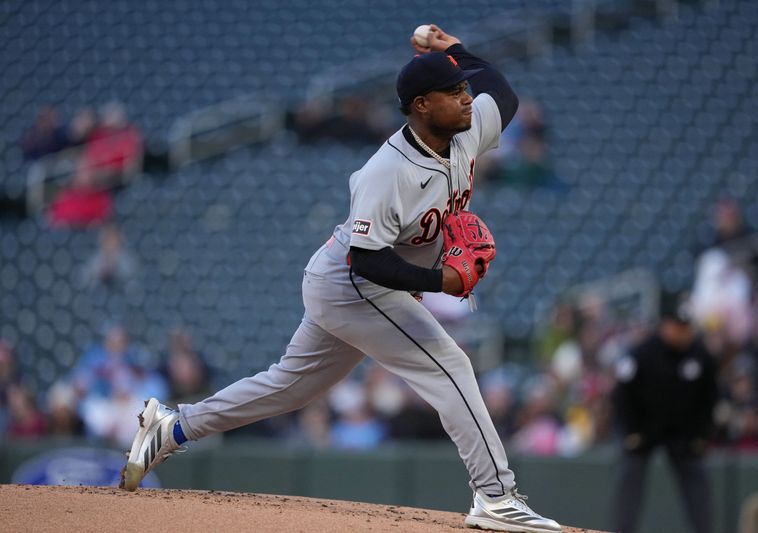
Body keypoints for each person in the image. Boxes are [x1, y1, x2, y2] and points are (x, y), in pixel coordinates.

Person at [119, 24, 561, 533]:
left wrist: (455, 51)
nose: (467, 100)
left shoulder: (465, 129)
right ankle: (496, 497)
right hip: (350, 282)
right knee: (449, 367)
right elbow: (367, 262)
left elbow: (502, 93)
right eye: (454, 92)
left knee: (289, 387)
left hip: (349, 280)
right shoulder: (387, 172)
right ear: (420, 104)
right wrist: (442, 281)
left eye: (464, 89)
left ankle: (172, 427)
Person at [610, 292, 718, 533]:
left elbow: (710, 399)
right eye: (677, 327)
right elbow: (621, 395)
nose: (682, 332)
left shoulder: (700, 356)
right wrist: (630, 431)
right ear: (665, 325)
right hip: (645, 429)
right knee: (630, 479)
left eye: (686, 327)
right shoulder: (642, 354)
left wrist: (702, 434)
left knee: (697, 481)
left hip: (684, 433)